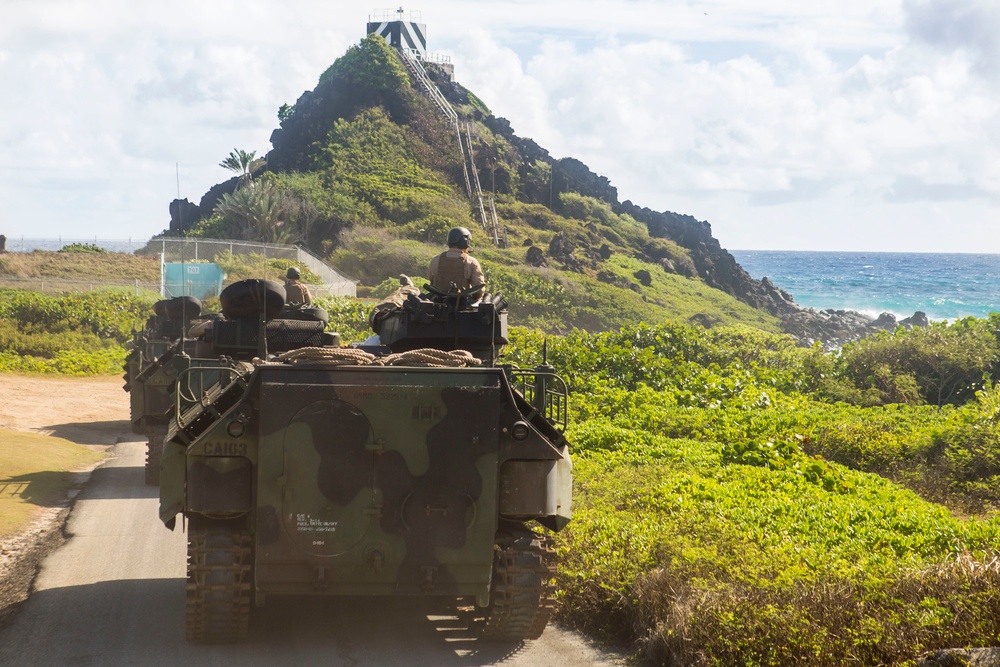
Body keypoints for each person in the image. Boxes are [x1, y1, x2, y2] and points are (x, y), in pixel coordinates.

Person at [428, 227, 485, 293]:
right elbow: (479, 289)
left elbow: (431, 281)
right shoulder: (471, 262)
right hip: (462, 302)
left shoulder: (435, 260)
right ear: (466, 242)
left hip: (437, 301)